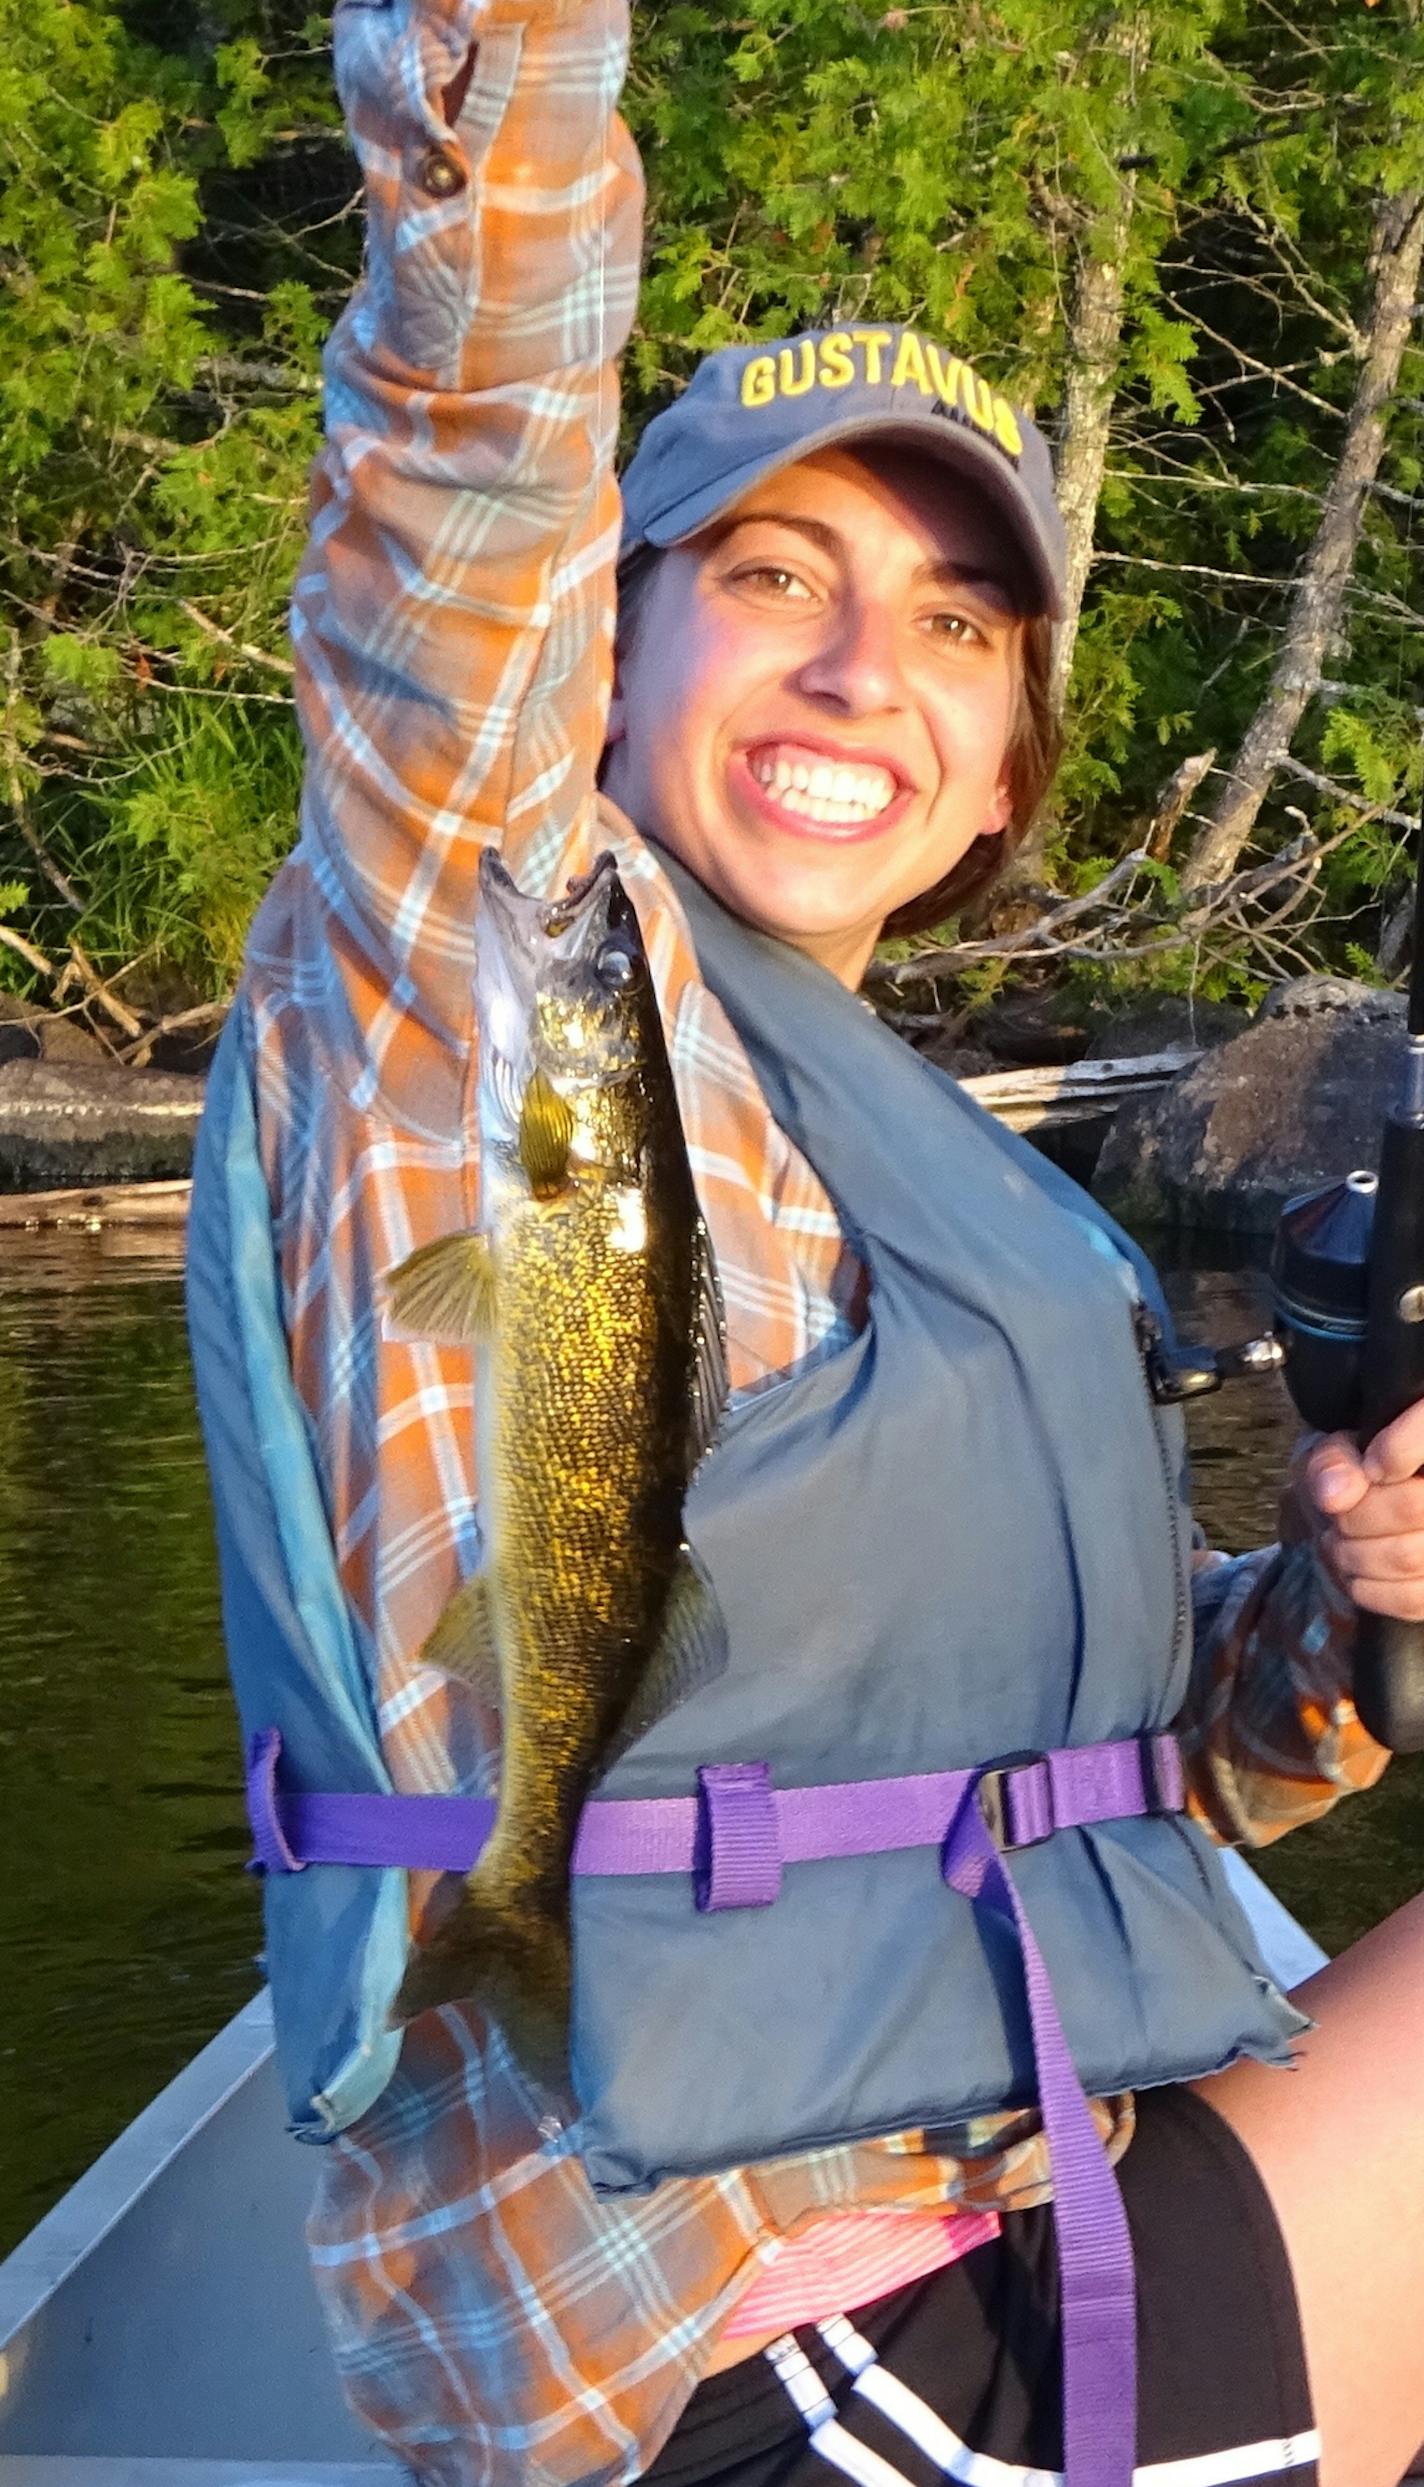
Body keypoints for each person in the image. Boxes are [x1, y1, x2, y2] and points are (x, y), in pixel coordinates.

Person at [183, 3, 1424, 2484]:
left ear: (997, 783)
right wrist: (508, 69)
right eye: (774, 572)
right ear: (609, 643)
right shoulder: (476, 967)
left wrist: (1363, 1599)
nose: (870, 663)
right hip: (754, 2355)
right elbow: (468, 473)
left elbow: (1145, 1771)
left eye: (962, 624)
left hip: (1036, 2191)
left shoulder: (972, 1195)